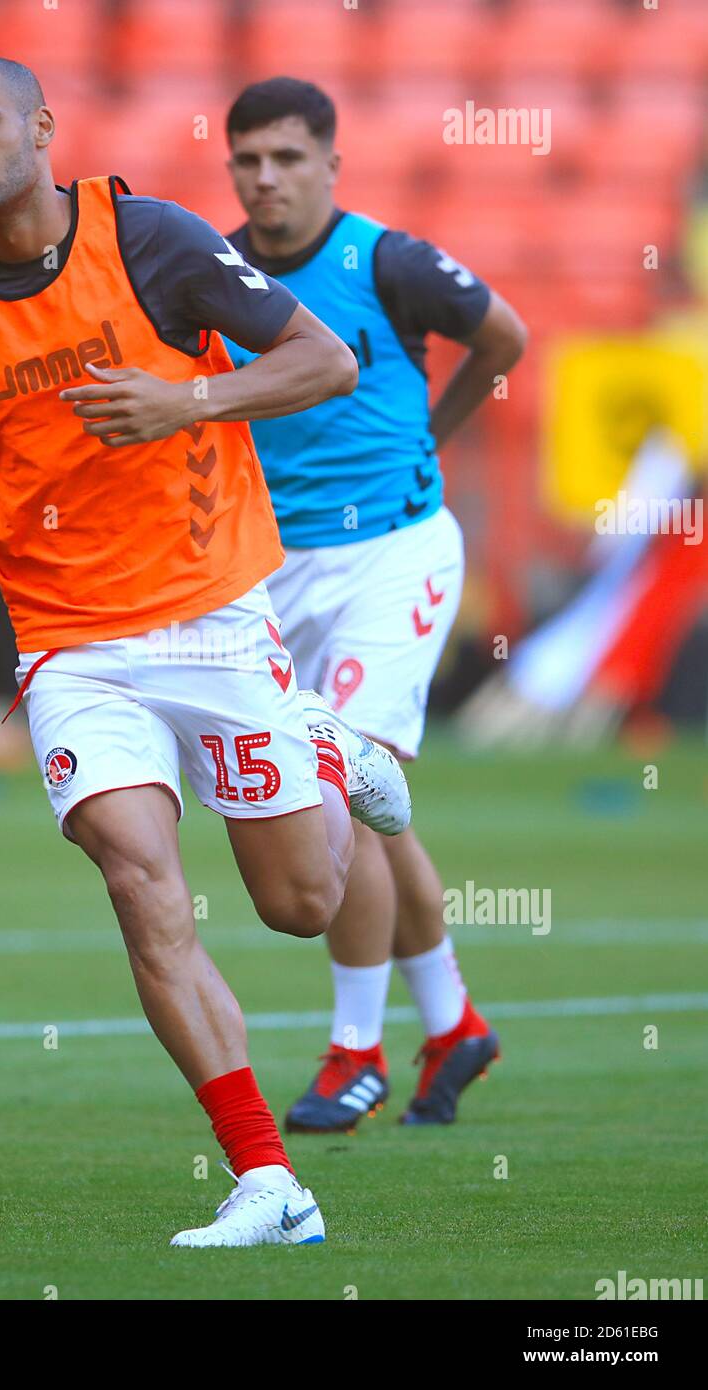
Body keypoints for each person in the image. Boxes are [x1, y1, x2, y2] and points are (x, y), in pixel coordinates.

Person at [0, 56, 410, 1247]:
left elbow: (326, 361)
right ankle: (266, 1179)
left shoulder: (155, 241)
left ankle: (322, 755)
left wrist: (186, 402)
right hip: (66, 637)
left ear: (39, 125)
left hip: (207, 615)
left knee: (298, 903)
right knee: (140, 880)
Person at [222, 77, 528, 1130]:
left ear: (329, 165)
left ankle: (353, 1050)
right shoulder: (214, 276)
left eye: (286, 158)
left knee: (341, 782)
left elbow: (505, 336)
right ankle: (452, 1022)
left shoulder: (384, 260)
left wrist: (430, 434)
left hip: (394, 553)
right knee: (374, 808)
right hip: (273, 574)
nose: (266, 178)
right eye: (247, 160)